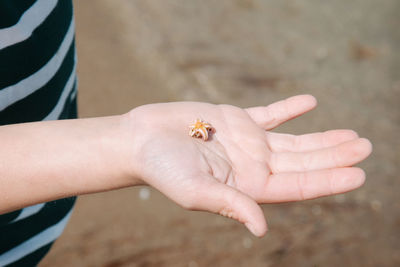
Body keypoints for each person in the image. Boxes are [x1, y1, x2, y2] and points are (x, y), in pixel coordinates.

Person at [0, 1, 372, 266]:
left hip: (38, 194)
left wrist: (129, 138)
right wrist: (128, 144)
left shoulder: (200, 130)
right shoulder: (200, 131)